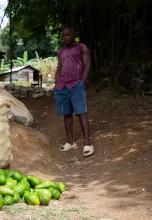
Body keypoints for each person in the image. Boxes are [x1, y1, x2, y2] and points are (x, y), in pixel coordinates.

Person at [54, 25, 94, 157]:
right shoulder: (61, 51)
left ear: (73, 35)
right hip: (63, 86)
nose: (65, 37)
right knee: (67, 114)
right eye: (63, 35)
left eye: (68, 35)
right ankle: (70, 142)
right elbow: (59, 68)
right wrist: (57, 84)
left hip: (76, 84)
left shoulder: (81, 47)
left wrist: (82, 82)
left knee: (82, 112)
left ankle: (87, 143)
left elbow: (87, 65)